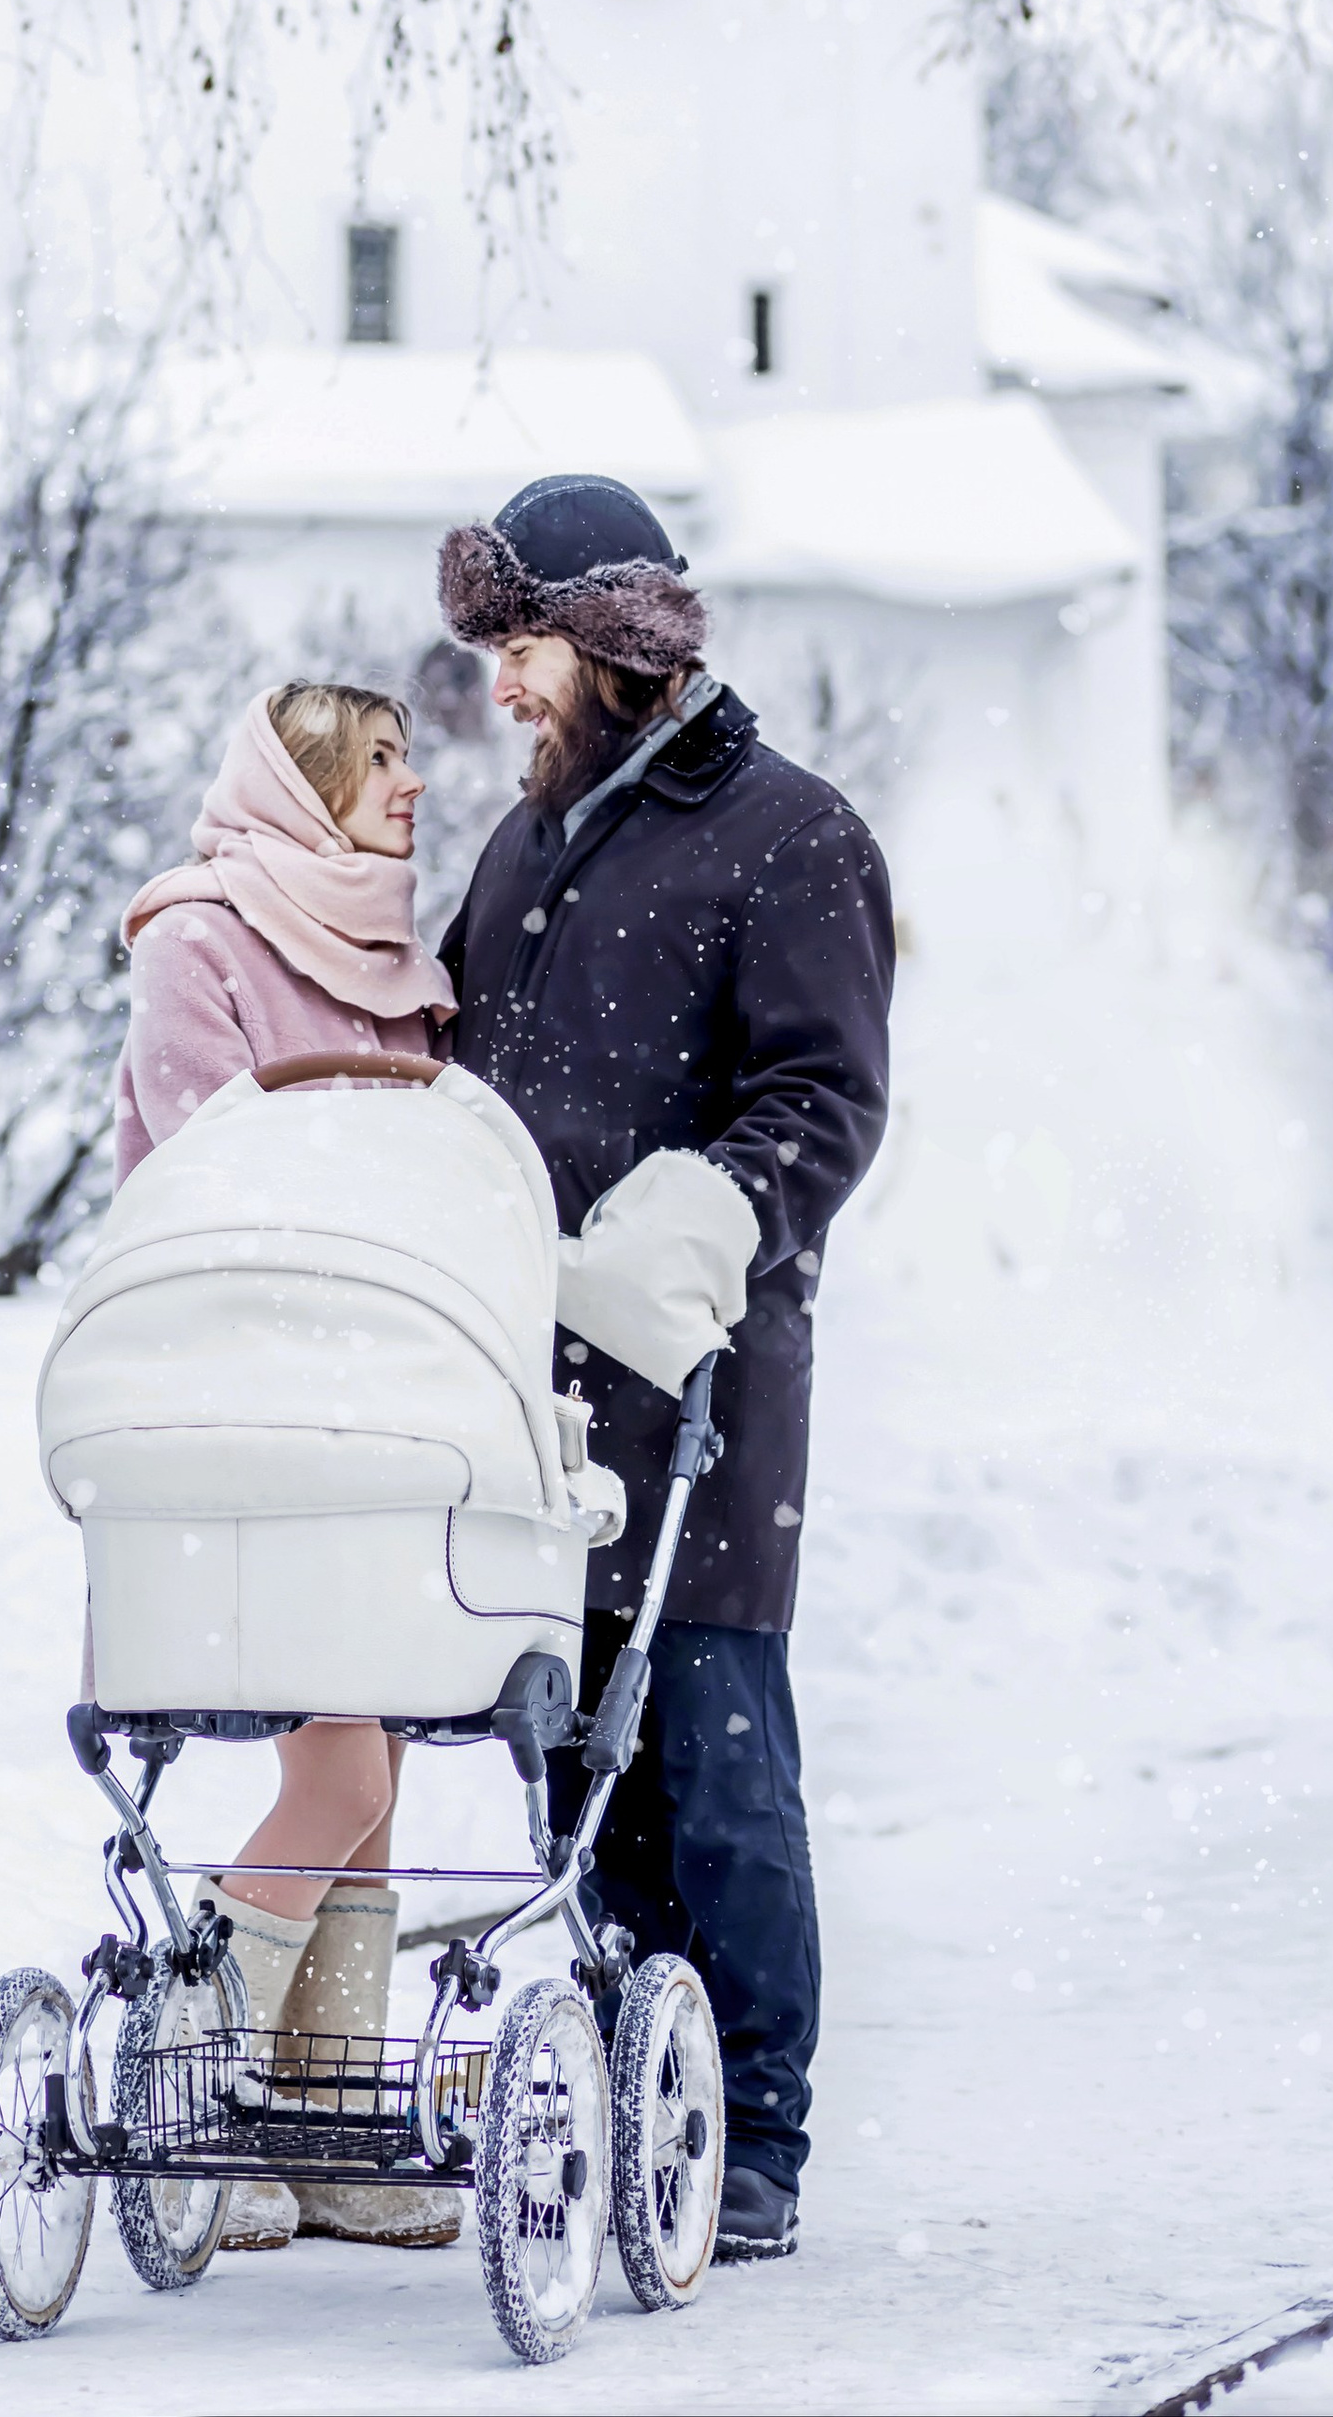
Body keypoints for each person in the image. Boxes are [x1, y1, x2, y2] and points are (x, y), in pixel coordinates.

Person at [435, 475, 894, 2266]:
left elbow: (825, 1098)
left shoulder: (792, 836)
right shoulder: (524, 842)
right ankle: (640, 2068)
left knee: (715, 1768)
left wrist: (710, 1209)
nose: (500, 689)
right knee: (573, 1773)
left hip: (701, 1397)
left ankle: (755, 2124)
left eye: (523, 649)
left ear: (619, 647)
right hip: (530, 1398)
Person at [112, 681, 457, 2254]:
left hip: (386, 1402)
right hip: (247, 1400)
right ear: (301, 783)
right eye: (377, 760)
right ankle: (200, 2088)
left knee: (372, 1768)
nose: (410, 781)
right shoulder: (202, 940)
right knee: (344, 1766)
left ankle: (324, 2134)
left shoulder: (399, 972)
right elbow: (214, 1173)